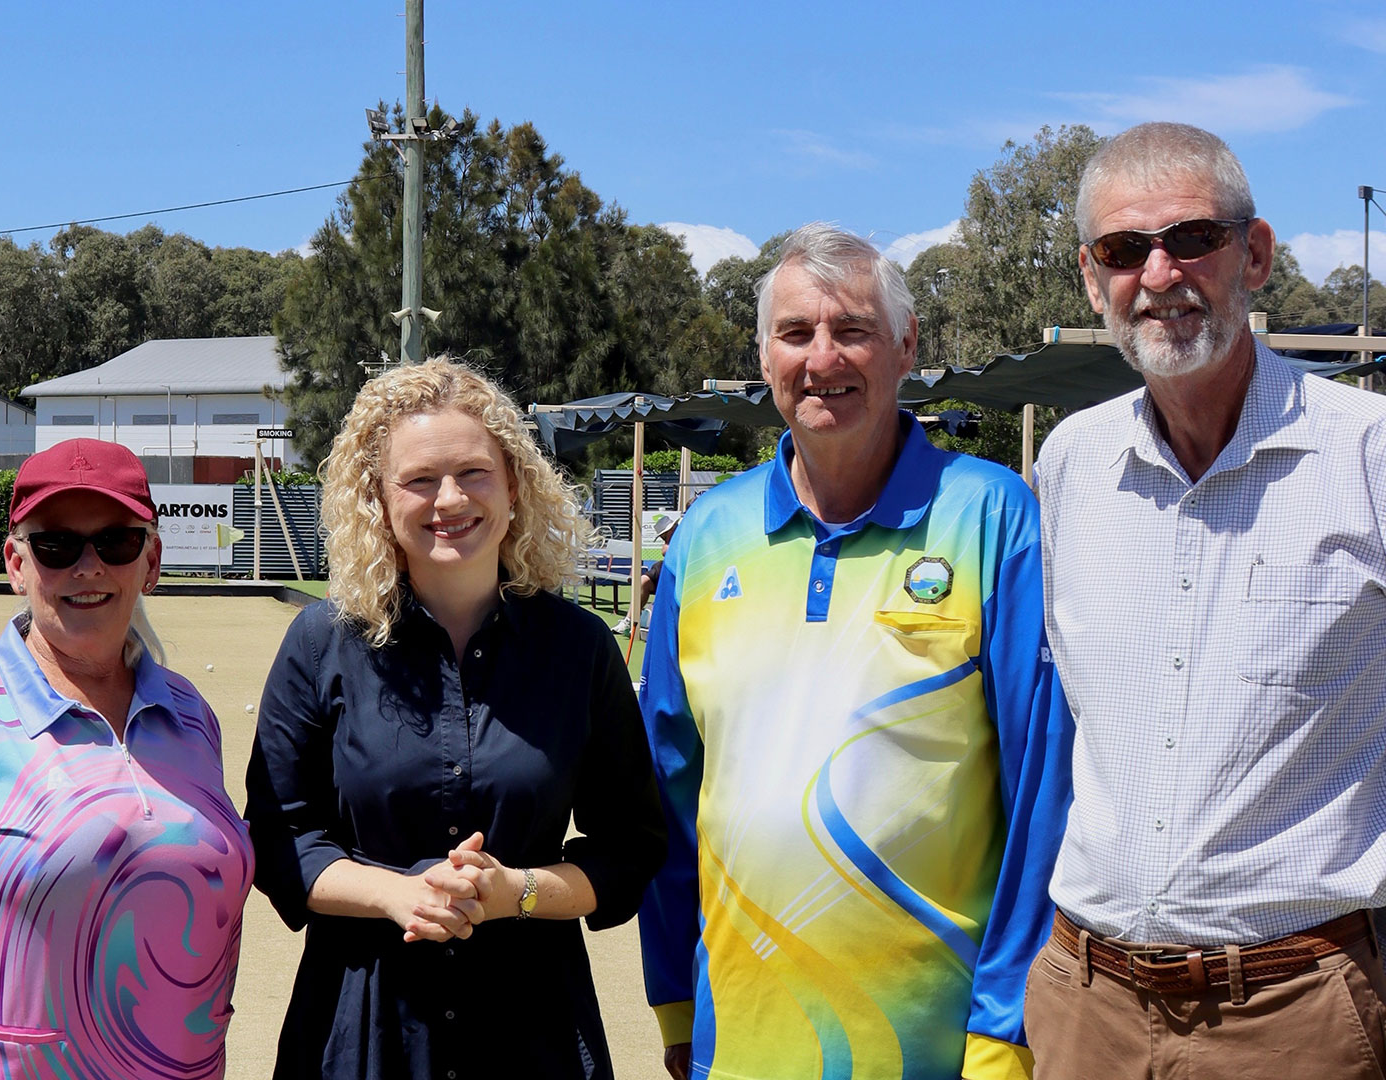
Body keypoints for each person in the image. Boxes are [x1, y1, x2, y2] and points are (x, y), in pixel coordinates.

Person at [637, 223, 1073, 1080]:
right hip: (737, 1041)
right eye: (796, 333)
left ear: (907, 345)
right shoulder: (707, 536)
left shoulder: (993, 517)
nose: (822, 357)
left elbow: (1043, 794)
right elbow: (666, 786)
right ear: (764, 355)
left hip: (942, 1046)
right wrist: (673, 1001)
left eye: (854, 330)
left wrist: (1006, 1026)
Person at [1027, 121, 1386, 1076]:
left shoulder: (1369, 454)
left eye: (1193, 238)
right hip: (1087, 1006)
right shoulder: (1070, 464)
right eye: (1123, 250)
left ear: (1255, 254)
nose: (1159, 273)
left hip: (1296, 1013)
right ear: (1090, 278)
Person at [245, 358, 667, 1079]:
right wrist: (398, 895)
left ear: (513, 487)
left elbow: (629, 846)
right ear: (377, 500)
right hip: (361, 1028)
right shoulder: (321, 642)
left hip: (534, 1029)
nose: (449, 499)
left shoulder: (578, 649)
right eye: (417, 480)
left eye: (473, 472)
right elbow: (281, 839)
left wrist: (516, 894)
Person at [0, 438, 253, 1080]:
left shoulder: (191, 714)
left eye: (116, 541)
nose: (88, 567)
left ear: (152, 561)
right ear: (16, 563)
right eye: (56, 546)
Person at [614, 510, 678, 638]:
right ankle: (630, 620)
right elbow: (665, 551)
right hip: (665, 568)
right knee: (643, 581)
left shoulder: (682, 533)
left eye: (663, 535)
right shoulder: (670, 540)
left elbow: (666, 551)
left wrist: (669, 542)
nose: (662, 538)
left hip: (680, 570)